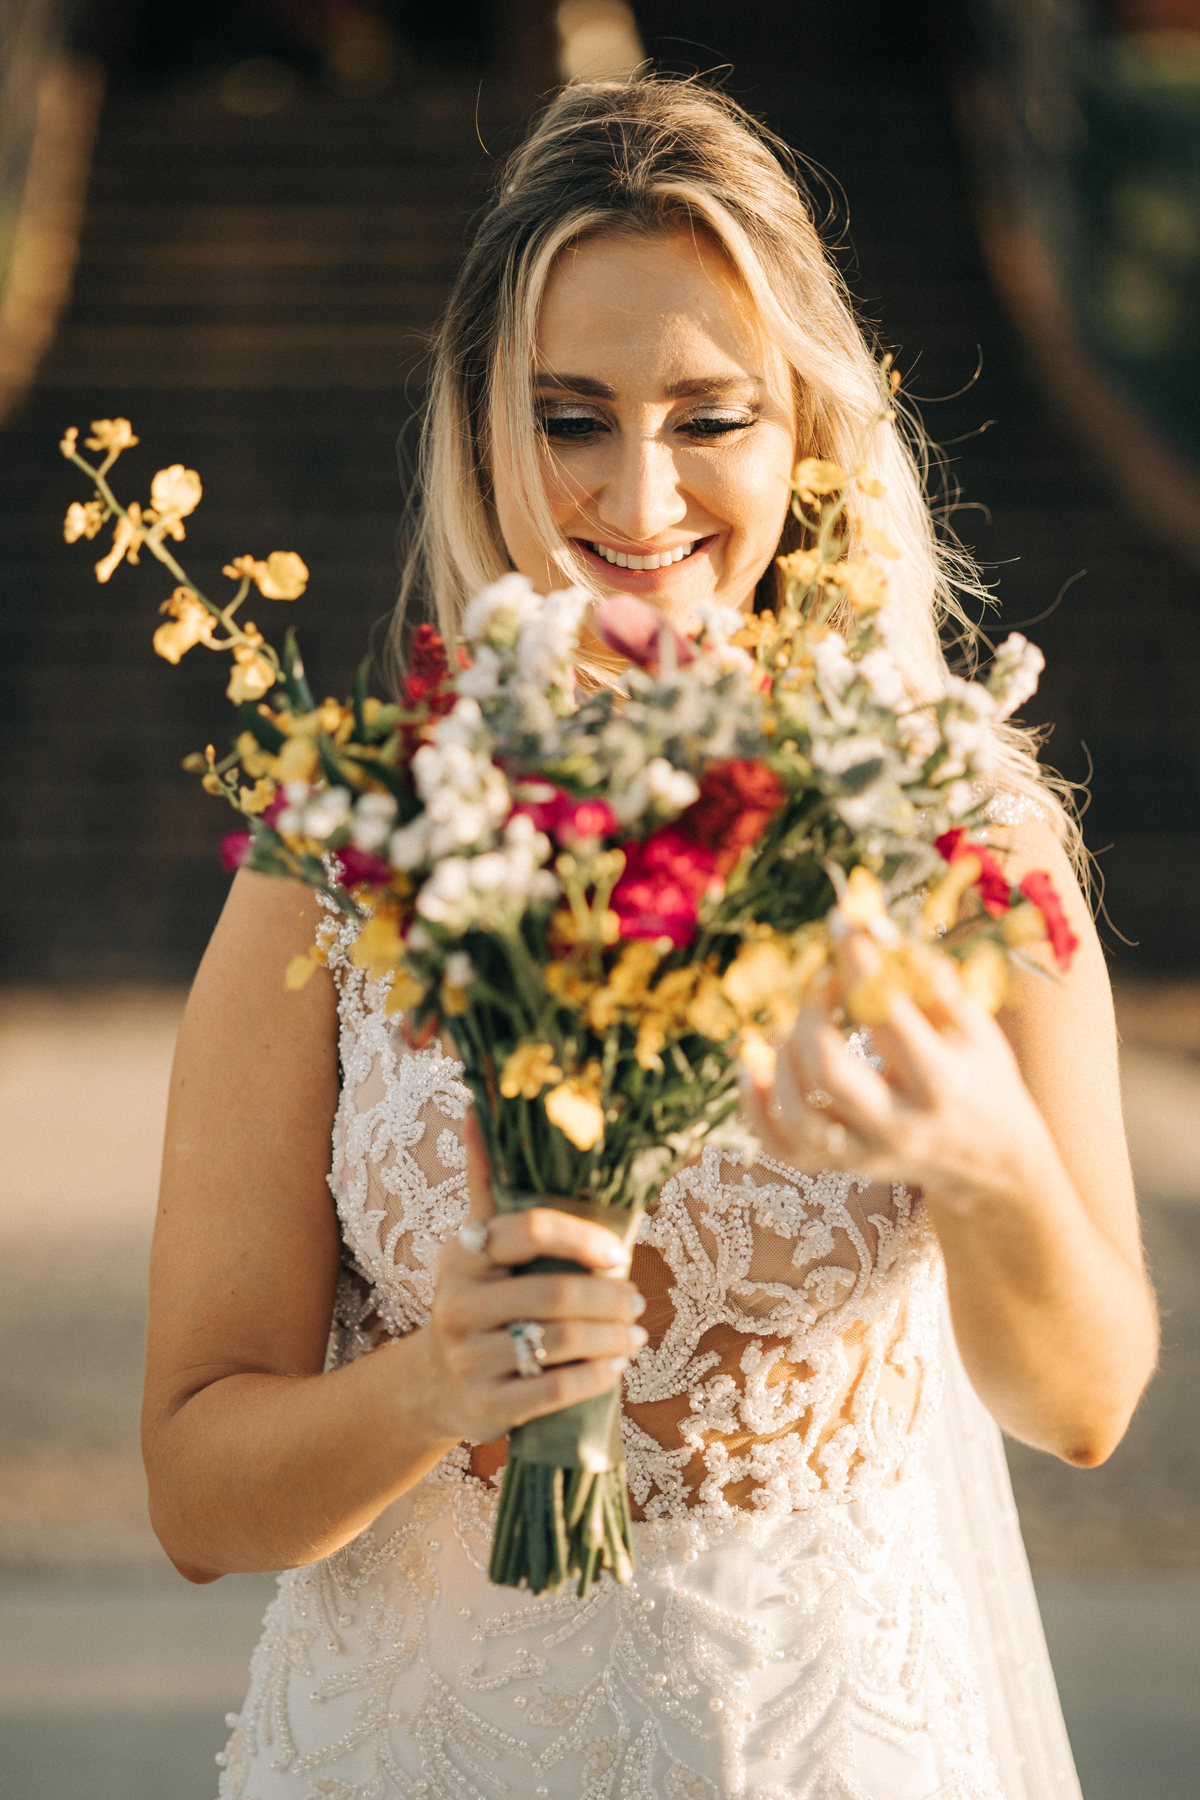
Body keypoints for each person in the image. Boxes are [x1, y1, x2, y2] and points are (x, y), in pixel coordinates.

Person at [142, 77, 1158, 1800]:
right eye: (572, 419)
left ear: (804, 429)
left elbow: (1083, 1406)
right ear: (482, 424)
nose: (639, 494)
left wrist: (991, 1160)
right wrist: (431, 1387)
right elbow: (193, 1494)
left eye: (709, 417)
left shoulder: (953, 842)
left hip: (829, 1754)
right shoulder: (340, 855)